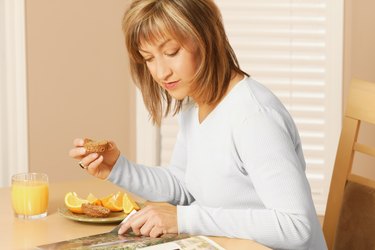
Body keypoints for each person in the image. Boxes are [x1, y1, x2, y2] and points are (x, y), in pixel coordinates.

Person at [69, 0, 327, 249]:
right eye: (148, 58)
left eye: (171, 52)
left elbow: (297, 227)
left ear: (206, 40)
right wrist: (118, 168)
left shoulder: (254, 117)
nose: (160, 72)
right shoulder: (195, 106)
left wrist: (184, 219)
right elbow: (183, 186)